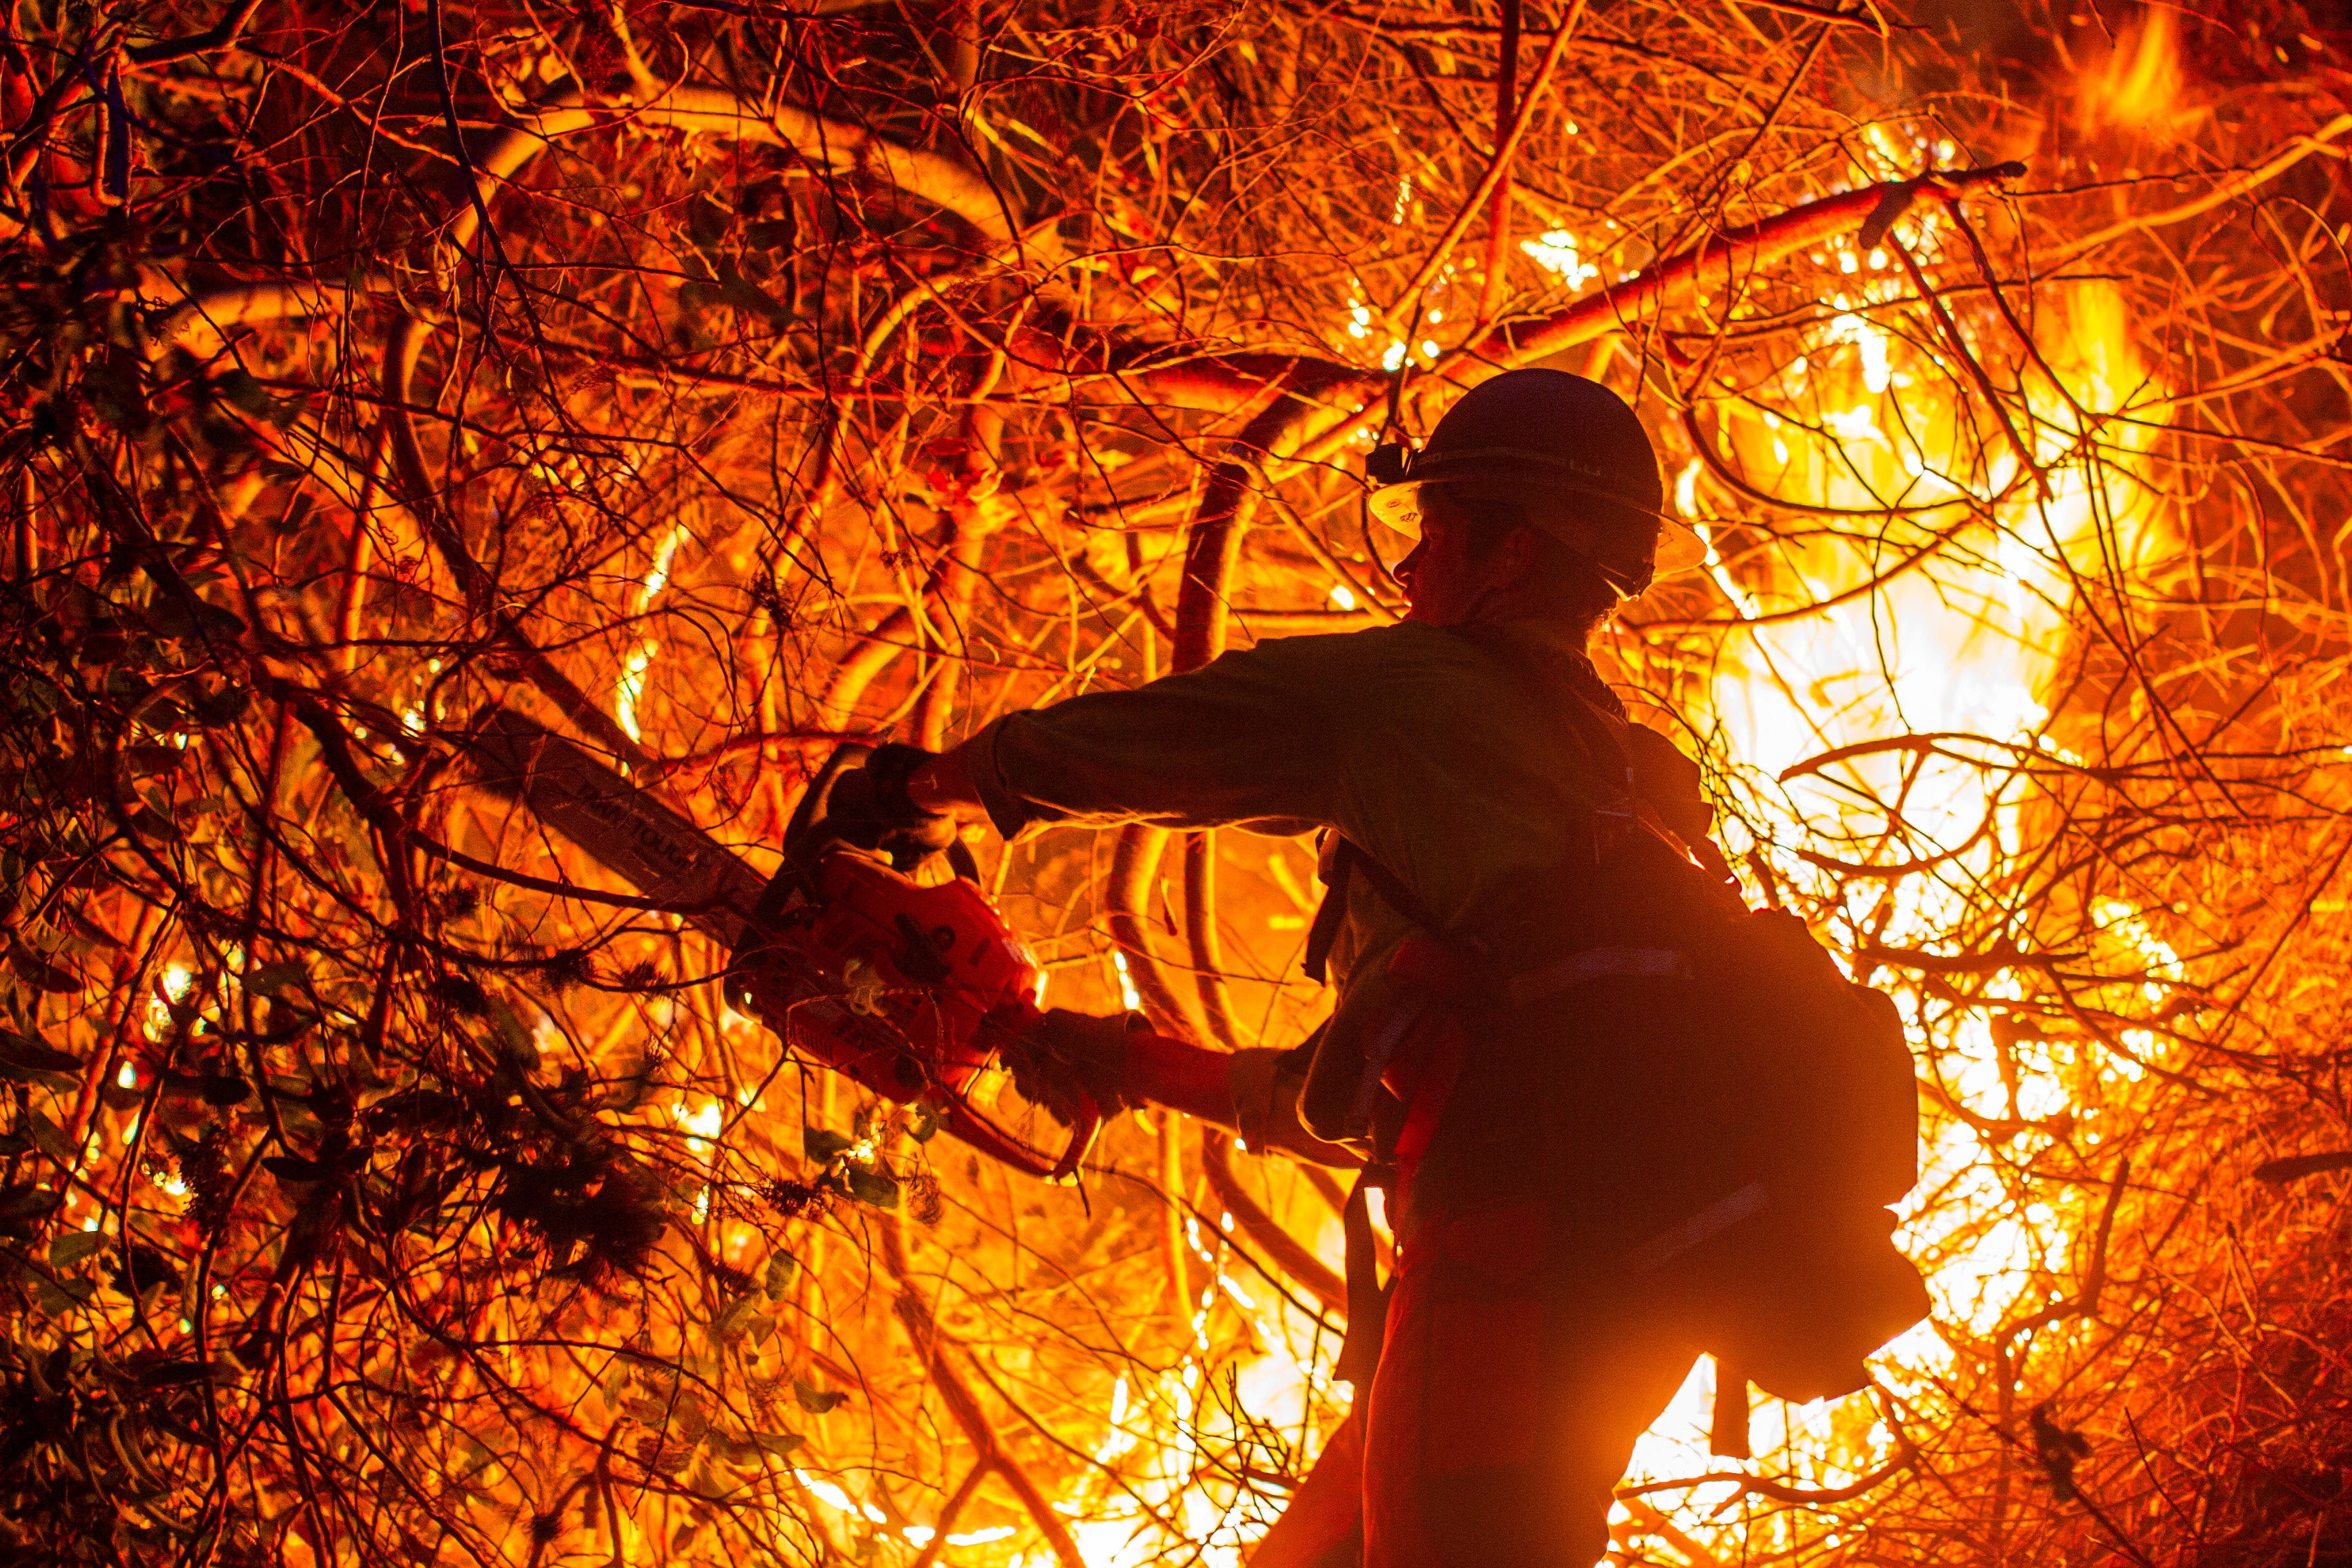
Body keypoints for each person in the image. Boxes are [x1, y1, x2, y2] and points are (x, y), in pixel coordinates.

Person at [823, 369, 1894, 1568]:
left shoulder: (1407, 693)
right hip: (1625, 1286)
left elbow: (1149, 742)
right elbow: (1376, 1101)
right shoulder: (1624, 782)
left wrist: (927, 791)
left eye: (1432, 532)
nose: (1408, 568)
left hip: (1507, 1259)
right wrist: (1120, 1058)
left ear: (1503, 547)